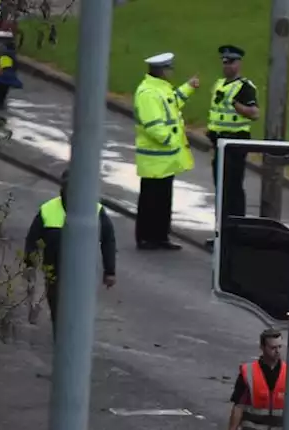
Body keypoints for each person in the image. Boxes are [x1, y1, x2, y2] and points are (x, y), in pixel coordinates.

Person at [24, 169, 117, 337]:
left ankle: (74, 342)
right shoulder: (48, 210)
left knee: (78, 311)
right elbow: (32, 240)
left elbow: (108, 240)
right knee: (58, 311)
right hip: (54, 273)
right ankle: (62, 342)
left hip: (83, 273)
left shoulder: (96, 211)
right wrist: (30, 265)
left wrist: (109, 271)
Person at [133, 52, 199, 251]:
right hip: (155, 158)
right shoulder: (148, 93)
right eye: (169, 68)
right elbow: (153, 125)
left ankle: (160, 236)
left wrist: (189, 88)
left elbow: (173, 103)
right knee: (150, 200)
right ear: (162, 71)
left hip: (164, 159)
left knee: (162, 200)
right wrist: (171, 140)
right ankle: (146, 238)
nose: (172, 71)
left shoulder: (160, 89)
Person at [203, 44, 259, 250]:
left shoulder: (245, 87)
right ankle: (222, 234)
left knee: (232, 192)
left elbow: (254, 113)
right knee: (221, 192)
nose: (227, 66)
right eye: (225, 62)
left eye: (232, 62)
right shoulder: (219, 84)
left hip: (235, 144)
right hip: (219, 144)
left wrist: (239, 107)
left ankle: (234, 235)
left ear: (239, 64)